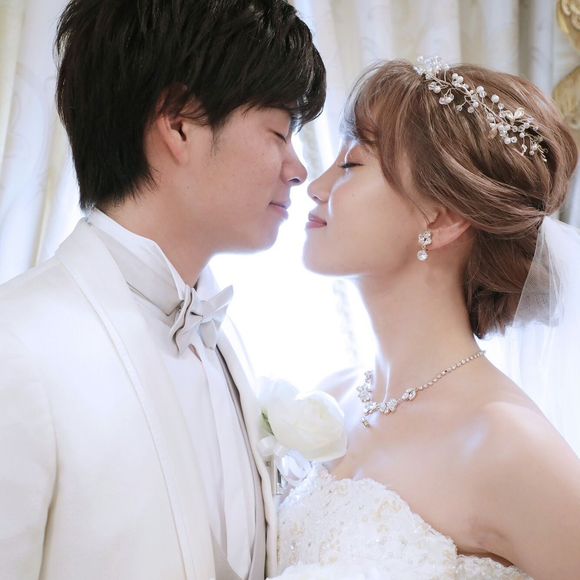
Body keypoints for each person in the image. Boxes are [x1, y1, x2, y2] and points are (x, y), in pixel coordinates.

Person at [0, 1, 324, 579]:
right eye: (279, 132)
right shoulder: (17, 346)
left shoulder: (225, 342)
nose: (298, 169)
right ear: (178, 125)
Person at [276, 58, 580, 579]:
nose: (316, 186)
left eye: (352, 164)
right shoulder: (335, 396)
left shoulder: (508, 445)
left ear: (441, 217)